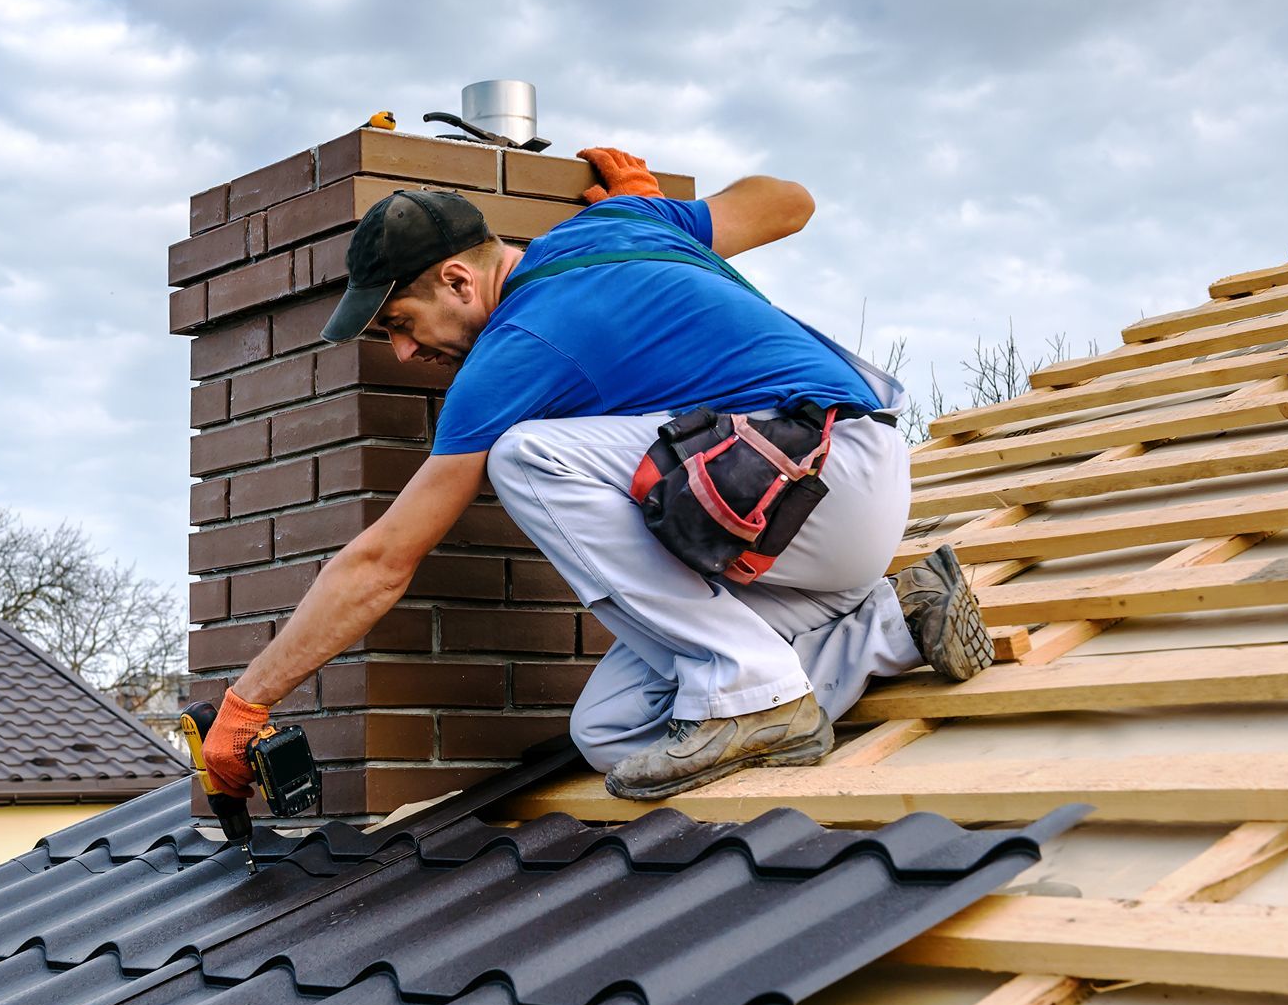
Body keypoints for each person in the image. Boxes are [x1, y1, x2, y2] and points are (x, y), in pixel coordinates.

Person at [200, 147, 989, 803]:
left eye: (400, 325)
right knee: (611, 731)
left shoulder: (515, 349)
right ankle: (894, 624)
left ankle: (753, 688)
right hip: (804, 527)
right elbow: (790, 200)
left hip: (821, 475)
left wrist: (250, 700)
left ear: (457, 281)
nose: (405, 354)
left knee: (528, 455)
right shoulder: (625, 221)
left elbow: (382, 562)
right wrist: (670, 221)